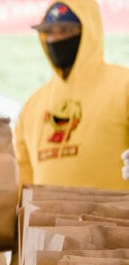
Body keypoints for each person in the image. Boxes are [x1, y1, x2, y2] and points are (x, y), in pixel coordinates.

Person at [14, 0, 129, 191]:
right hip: (45, 220)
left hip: (116, 219)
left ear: (88, 32)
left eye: (66, 30)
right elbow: (21, 181)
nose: (56, 39)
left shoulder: (124, 86)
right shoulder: (32, 106)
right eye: (49, 32)